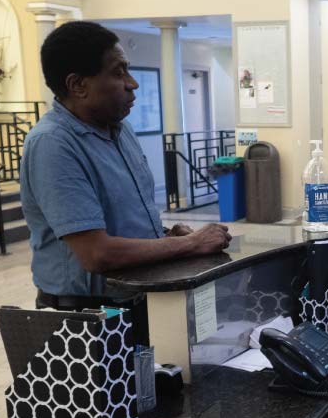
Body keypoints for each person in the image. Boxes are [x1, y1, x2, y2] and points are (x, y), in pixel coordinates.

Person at [20, 20, 231, 307]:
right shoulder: (53, 144)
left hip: (138, 294)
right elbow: (97, 253)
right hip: (87, 314)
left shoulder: (120, 129)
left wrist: (164, 236)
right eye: (118, 73)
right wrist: (188, 244)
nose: (132, 83)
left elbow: (123, 221)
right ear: (78, 85)